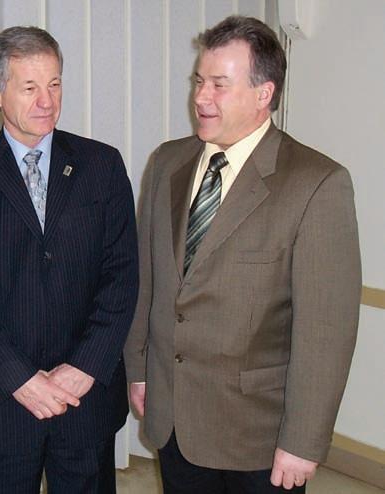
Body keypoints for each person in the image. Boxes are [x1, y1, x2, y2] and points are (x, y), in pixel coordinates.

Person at [124, 15, 361, 494]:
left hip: (258, 437)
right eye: (199, 81)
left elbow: (325, 332)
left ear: (263, 93)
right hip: (174, 417)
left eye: (219, 84)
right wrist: (140, 368)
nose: (200, 97)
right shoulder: (167, 162)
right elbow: (148, 279)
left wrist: (303, 440)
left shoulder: (316, 183)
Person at [0, 26, 138, 493]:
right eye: (29, 87)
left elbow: (122, 275)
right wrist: (19, 379)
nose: (47, 101)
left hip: (85, 398)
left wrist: (85, 367)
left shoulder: (102, 165)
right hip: (3, 401)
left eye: (55, 84)